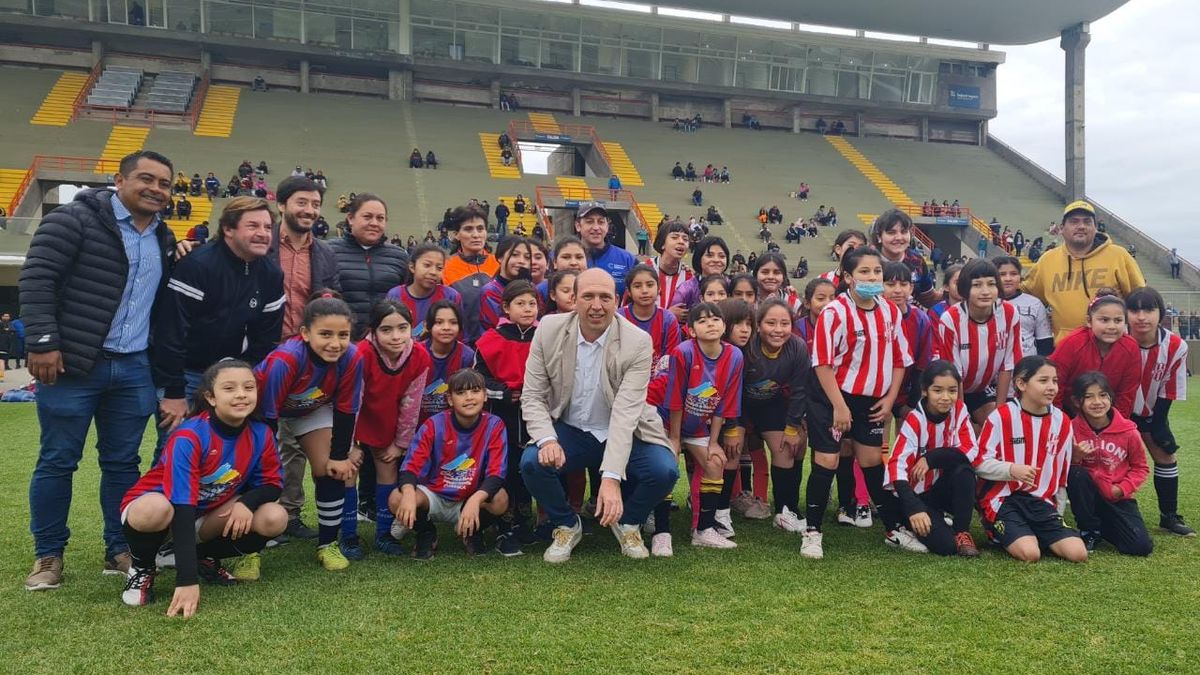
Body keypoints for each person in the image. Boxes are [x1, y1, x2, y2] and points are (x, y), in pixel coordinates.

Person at [21, 150, 179, 591]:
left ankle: (119, 547)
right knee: (57, 460)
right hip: (74, 364)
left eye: (164, 183)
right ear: (119, 179)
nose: (156, 189)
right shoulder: (72, 220)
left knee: (122, 462)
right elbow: (37, 279)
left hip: (133, 367)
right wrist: (43, 342)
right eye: (146, 179)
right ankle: (49, 554)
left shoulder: (163, 237)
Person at [519, 269, 680, 562]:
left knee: (665, 471)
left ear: (618, 301)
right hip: (571, 430)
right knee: (532, 463)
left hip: (625, 430)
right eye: (588, 296)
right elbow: (532, 395)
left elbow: (625, 413)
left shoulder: (638, 341)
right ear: (573, 299)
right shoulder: (548, 329)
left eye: (605, 297)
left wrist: (611, 477)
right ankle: (567, 524)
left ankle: (628, 522)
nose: (597, 305)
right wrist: (546, 438)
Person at [118, 360, 286, 615]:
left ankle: (199, 557)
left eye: (248, 387)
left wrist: (245, 503)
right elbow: (182, 506)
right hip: (159, 511)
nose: (241, 394)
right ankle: (142, 566)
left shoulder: (261, 433)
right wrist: (187, 581)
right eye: (229, 388)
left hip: (205, 513)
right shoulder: (190, 436)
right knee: (156, 508)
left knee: (274, 517)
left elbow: (272, 484)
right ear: (211, 397)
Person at [803, 246, 914, 559]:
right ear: (848, 277)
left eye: (877, 271)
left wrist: (890, 399)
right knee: (827, 461)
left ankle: (893, 529)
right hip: (832, 397)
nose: (872, 277)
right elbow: (822, 364)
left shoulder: (891, 312)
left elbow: (900, 360)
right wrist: (839, 407)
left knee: (871, 462)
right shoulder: (834, 313)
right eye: (864, 272)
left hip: (872, 400)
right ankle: (812, 532)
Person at [154, 197, 286, 439]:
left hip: (236, 378)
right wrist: (174, 391)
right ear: (228, 229)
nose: (263, 234)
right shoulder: (197, 265)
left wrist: (244, 381)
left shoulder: (271, 275)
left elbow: (266, 340)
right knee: (176, 450)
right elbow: (171, 331)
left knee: (230, 452)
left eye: (268, 227)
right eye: (253, 226)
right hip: (188, 375)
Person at [256, 295, 363, 571]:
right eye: (325, 334)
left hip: (309, 408)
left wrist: (339, 456)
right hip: (262, 411)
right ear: (305, 333)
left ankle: (328, 544)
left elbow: (346, 409)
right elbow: (267, 415)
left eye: (343, 335)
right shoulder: (286, 359)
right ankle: (249, 549)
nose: (335, 343)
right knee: (256, 474)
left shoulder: (351, 355)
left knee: (331, 469)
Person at [268, 177, 341, 540]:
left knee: (303, 437)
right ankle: (275, 514)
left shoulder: (325, 252)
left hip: (309, 358)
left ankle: (291, 516)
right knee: (274, 438)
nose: (309, 210)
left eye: (314, 204)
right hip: (267, 353)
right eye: (301, 202)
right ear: (281, 205)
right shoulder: (262, 241)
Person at [975, 356, 1088, 563]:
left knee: (1078, 553)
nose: (1052, 387)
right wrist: (1011, 469)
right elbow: (979, 463)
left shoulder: (1062, 421)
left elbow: (1061, 475)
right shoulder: (1001, 416)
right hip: (1003, 499)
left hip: (1041, 502)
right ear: (1021, 384)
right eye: (1043, 381)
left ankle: (1029, 531)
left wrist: (1057, 512)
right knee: (1030, 554)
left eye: (1054, 381)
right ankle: (995, 528)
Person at [391, 369, 510, 559]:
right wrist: (407, 494)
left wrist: (475, 499)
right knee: (396, 498)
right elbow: (410, 466)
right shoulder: (433, 424)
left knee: (500, 499)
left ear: (485, 396)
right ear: (449, 399)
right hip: (433, 495)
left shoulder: (495, 425)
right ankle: (426, 533)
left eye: (475, 391)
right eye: (461, 392)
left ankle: (471, 532)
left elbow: (497, 473)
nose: (469, 398)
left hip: (469, 496)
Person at [349, 300, 431, 559]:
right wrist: (349, 445)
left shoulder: (419, 355)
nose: (396, 336)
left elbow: (412, 404)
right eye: (386, 330)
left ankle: (384, 534)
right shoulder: (360, 354)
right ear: (373, 330)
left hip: (387, 419)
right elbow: (352, 402)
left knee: (388, 470)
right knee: (348, 472)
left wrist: (400, 443)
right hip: (354, 416)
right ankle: (348, 536)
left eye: (402, 328)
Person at [883, 361, 982, 557]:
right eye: (938, 390)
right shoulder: (914, 419)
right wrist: (914, 508)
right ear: (925, 391)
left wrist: (931, 458)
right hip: (915, 496)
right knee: (946, 547)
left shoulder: (959, 410)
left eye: (952, 391)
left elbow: (970, 450)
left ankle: (962, 532)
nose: (946, 398)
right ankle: (901, 527)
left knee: (964, 470)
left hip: (938, 489)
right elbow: (896, 466)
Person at [666, 302, 744, 549]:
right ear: (691, 330)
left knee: (715, 462)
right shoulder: (683, 352)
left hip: (700, 427)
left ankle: (704, 530)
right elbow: (676, 399)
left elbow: (724, 403)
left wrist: (713, 443)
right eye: (702, 320)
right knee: (665, 466)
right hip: (668, 424)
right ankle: (659, 528)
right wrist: (675, 439)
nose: (710, 323)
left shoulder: (735, 356)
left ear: (724, 326)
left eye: (715, 319)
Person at [731, 299, 810, 536]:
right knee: (730, 453)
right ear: (758, 325)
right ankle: (719, 511)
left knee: (787, 448)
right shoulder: (746, 348)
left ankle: (786, 511)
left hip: (770, 404)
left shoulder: (797, 347)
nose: (778, 329)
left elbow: (800, 390)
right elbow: (732, 388)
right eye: (771, 323)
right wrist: (733, 427)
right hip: (740, 405)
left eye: (784, 323)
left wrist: (792, 427)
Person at [473, 280, 539, 555]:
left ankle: (524, 520)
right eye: (520, 304)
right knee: (506, 468)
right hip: (502, 418)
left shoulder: (544, 336)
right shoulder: (490, 340)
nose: (527, 309)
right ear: (505, 308)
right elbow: (478, 381)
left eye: (532, 303)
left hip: (535, 416)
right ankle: (503, 523)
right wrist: (505, 393)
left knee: (528, 469)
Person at [1022, 201, 1145, 343]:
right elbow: (1027, 294)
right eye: (1074, 222)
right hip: (1065, 350)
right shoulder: (1047, 260)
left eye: (1087, 222)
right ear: (1062, 228)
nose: (1081, 226)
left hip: (1111, 348)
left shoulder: (1119, 256)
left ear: (1096, 228)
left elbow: (1140, 300)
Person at [1125, 287, 1195, 536]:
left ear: (1161, 313)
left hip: (1149, 411)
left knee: (1165, 454)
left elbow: (1170, 389)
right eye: (1134, 310)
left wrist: (1159, 423)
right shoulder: (1117, 337)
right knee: (1109, 459)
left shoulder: (1175, 345)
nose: (1141, 317)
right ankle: (1102, 515)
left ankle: (1169, 516)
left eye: (1149, 309)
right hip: (1115, 411)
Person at [1067, 372, 1153, 555]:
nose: (1097, 402)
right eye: (1089, 397)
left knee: (1140, 547)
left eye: (1103, 395)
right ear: (1077, 401)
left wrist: (1121, 489)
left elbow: (1141, 468)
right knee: (1077, 474)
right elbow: (1062, 470)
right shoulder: (1070, 430)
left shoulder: (1129, 432)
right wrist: (1075, 458)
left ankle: (1102, 526)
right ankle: (1088, 530)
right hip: (1086, 494)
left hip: (1116, 496)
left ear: (1110, 398)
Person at [936, 259, 1022, 427]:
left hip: (983, 389)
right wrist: (962, 417)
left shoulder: (1009, 313)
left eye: (991, 284)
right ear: (965, 289)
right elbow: (953, 373)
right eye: (977, 285)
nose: (985, 291)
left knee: (999, 425)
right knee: (959, 434)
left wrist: (1000, 409)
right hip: (950, 389)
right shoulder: (950, 320)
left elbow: (1008, 365)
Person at [328, 194, 409, 340]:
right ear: (350, 218)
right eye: (367, 217)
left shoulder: (399, 256)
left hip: (387, 342)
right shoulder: (328, 251)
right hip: (341, 342)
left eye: (380, 218)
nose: (374, 223)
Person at [1051, 293, 1140, 418]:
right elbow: (1055, 384)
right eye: (1104, 320)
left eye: (1118, 320)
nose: (1111, 326)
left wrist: (1117, 426)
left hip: (1107, 414)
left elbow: (1127, 394)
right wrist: (1058, 421)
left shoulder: (1131, 347)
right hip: (1068, 411)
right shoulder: (1072, 343)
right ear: (1089, 321)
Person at [442, 205, 499, 343]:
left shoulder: (500, 264)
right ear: (456, 234)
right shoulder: (445, 267)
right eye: (468, 229)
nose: (476, 235)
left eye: (480, 229)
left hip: (496, 344)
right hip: (460, 346)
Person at [386, 244, 462, 341]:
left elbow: (459, 335)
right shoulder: (395, 295)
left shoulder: (451, 296)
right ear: (412, 267)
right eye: (427, 265)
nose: (433, 272)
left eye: (439, 268)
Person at [419, 301, 476, 423]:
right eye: (439, 322)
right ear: (427, 326)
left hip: (452, 425)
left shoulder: (467, 356)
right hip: (417, 424)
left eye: (453, 322)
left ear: (461, 326)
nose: (446, 327)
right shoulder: (417, 353)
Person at [870, 209, 938, 308]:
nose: (898, 237)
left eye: (904, 232)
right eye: (891, 232)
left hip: (909, 318)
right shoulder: (867, 261)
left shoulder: (917, 261)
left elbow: (928, 298)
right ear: (879, 236)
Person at [995, 256, 1054, 357]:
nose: (1008, 279)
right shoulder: (984, 303)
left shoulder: (1034, 304)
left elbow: (1044, 341)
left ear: (1020, 277)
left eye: (1013, 274)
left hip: (1026, 366)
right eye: (1002, 274)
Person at [575, 202, 637, 297]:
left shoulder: (628, 260)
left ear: (607, 226)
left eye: (601, 222)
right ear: (578, 226)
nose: (596, 227)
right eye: (589, 222)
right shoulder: (563, 257)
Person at [477, 236, 534, 338]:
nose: (521, 261)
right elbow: (502, 327)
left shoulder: (532, 288)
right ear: (500, 257)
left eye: (527, 257)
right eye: (515, 255)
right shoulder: (490, 292)